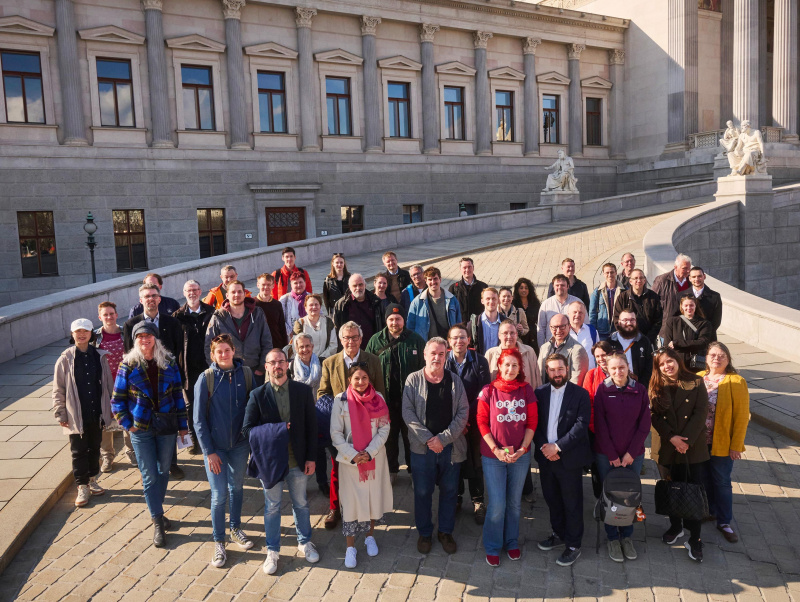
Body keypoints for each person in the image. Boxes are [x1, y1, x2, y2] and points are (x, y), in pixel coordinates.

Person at [111, 321, 188, 547]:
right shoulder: (127, 365)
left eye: (148, 336)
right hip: (141, 427)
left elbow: (177, 396)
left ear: (156, 338)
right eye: (140, 337)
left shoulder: (169, 363)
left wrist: (183, 426)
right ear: (135, 341)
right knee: (149, 475)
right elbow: (117, 400)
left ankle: (158, 510)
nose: (145, 340)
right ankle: (157, 521)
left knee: (164, 470)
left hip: (165, 426)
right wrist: (128, 424)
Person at [242, 349, 319, 574]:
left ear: (288, 365)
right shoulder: (257, 394)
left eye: (281, 362)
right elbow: (246, 430)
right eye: (272, 362)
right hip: (270, 463)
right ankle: (273, 550)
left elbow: (312, 427)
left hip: (298, 460)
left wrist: (312, 458)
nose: (277, 366)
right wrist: (277, 430)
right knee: (272, 507)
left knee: (302, 504)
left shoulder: (302, 391)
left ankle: (305, 542)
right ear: (266, 366)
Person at [193, 334, 255, 568]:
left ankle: (236, 528)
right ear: (213, 354)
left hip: (239, 446)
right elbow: (198, 420)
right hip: (216, 448)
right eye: (219, 351)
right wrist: (209, 451)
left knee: (237, 488)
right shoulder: (206, 379)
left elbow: (253, 407)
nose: (224, 354)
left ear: (233, 351)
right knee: (219, 495)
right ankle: (219, 541)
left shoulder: (246, 374)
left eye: (227, 350)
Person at [402, 337, 469, 555]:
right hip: (422, 449)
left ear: (446, 355)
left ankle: (446, 532)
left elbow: (462, 412)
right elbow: (408, 414)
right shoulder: (413, 380)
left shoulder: (454, 380)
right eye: (433, 353)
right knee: (422, 492)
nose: (437, 358)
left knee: (449, 491)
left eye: (441, 354)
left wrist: (444, 439)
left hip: (450, 448)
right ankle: (424, 532)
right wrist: (429, 440)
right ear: (424, 354)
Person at [317, 322, 385, 530]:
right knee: (338, 469)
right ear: (340, 339)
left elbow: (380, 393)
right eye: (346, 338)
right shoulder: (330, 362)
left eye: (355, 337)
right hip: (342, 427)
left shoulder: (372, 361)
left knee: (366, 467)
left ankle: (366, 508)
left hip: (367, 427)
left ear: (361, 338)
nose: (351, 342)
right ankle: (335, 509)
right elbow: (322, 393)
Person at [477, 348, 538, 567]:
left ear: (520, 368)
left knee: (514, 503)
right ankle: (493, 545)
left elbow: (532, 423)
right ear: (499, 367)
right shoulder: (488, 391)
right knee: (497, 504)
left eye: (515, 365)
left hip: (520, 456)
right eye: (507, 365)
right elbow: (482, 422)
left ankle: (511, 542)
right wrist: (495, 449)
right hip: (493, 456)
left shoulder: (526, 390)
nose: (510, 369)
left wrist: (522, 449)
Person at [649, 346, 709, 563]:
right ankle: (675, 526)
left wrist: (685, 441)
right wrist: (672, 438)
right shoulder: (656, 383)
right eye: (662, 364)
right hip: (666, 445)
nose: (667, 366)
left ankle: (695, 537)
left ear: (677, 360)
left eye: (670, 361)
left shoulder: (696, 381)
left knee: (692, 491)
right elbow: (654, 415)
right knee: (671, 487)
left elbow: (701, 413)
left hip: (691, 448)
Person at [330, 364, 393, 569]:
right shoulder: (340, 401)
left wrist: (370, 452)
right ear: (349, 379)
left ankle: (369, 537)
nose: (360, 382)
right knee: (351, 503)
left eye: (364, 377)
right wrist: (354, 455)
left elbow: (384, 428)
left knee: (371, 499)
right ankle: (350, 547)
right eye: (356, 378)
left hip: (373, 460)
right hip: (351, 464)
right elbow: (336, 433)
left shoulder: (379, 399)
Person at [534, 353, 592, 567]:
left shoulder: (580, 394)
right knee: (552, 499)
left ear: (567, 369)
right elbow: (535, 423)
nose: (556, 373)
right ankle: (558, 534)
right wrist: (545, 447)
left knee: (572, 503)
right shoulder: (539, 392)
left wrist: (557, 447)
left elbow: (580, 426)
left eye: (560, 369)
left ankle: (574, 544)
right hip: (546, 457)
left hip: (568, 458)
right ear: (546, 371)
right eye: (552, 369)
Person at [592, 352, 651, 562]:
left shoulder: (640, 390)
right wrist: (612, 454)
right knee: (610, 497)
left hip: (633, 455)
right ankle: (611, 538)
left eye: (622, 367)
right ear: (607, 369)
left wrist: (630, 454)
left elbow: (644, 425)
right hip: (607, 456)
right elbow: (600, 424)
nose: (618, 372)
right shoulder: (603, 390)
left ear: (628, 367)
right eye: (614, 368)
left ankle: (627, 536)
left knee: (629, 496)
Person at [53, 318, 115, 507]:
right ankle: (82, 486)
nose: (81, 334)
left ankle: (92, 479)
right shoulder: (65, 358)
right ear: (72, 335)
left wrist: (111, 408)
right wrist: (60, 413)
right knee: (78, 451)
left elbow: (108, 385)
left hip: (96, 412)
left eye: (85, 331)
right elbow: (59, 388)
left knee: (94, 447)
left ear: (91, 334)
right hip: (75, 414)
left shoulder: (99, 356)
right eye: (77, 331)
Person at [365, 304, 425, 478]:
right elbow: (368, 370)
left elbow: (423, 369)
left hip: (410, 400)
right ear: (386, 320)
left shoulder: (416, 340)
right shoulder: (376, 341)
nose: (394, 322)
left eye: (398, 319)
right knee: (389, 437)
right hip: (385, 400)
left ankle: (414, 471)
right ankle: (392, 470)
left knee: (410, 437)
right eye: (391, 319)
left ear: (403, 320)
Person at [699, 342, 750, 544]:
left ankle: (724, 521)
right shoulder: (697, 378)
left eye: (721, 355)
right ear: (706, 357)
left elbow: (742, 416)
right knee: (703, 478)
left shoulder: (737, 381)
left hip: (722, 442)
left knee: (721, 481)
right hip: (699, 443)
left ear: (728, 359)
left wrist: (736, 445)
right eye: (713, 354)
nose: (716, 358)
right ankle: (709, 511)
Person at [446, 324, 491, 525]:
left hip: (474, 422)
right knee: (454, 462)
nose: (459, 341)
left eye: (463, 337)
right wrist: (456, 422)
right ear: (449, 341)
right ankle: (455, 498)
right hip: (451, 422)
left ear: (469, 340)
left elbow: (483, 393)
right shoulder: (443, 362)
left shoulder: (480, 361)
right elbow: (442, 394)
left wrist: (466, 419)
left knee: (475, 462)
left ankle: (478, 501)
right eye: (455, 338)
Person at [172, 279, 214, 455]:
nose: (192, 293)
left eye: (195, 289)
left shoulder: (211, 312)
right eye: (189, 290)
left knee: (208, 403)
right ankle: (192, 440)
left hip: (207, 365)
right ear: (184, 293)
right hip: (187, 367)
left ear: (200, 291)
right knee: (189, 405)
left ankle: (209, 438)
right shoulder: (177, 316)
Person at [205, 280, 272, 386]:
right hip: (229, 373)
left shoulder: (257, 313)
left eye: (240, 292)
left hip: (255, 371)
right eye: (233, 292)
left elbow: (267, 341)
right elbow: (209, 345)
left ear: (245, 293)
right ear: (227, 295)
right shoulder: (219, 316)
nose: (237, 295)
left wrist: (262, 368)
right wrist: (217, 369)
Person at [94, 301, 134, 470]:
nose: (109, 317)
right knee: (105, 419)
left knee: (127, 416)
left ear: (117, 315)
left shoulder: (126, 332)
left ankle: (132, 452)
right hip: (104, 384)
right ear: (100, 317)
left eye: (111, 314)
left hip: (126, 383)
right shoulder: (95, 337)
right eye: (105, 314)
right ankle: (108, 456)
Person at [123, 284, 184, 359]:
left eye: (154, 296)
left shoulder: (173, 322)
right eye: (147, 296)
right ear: (141, 300)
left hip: (168, 367)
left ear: (159, 299)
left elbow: (178, 350)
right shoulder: (130, 325)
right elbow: (129, 352)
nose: (151, 298)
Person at [659, 294, 715, 371]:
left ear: (695, 306)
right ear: (681, 306)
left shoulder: (704, 324)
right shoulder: (672, 321)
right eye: (686, 305)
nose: (689, 308)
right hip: (676, 363)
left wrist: (677, 343)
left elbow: (702, 343)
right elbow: (667, 345)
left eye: (691, 305)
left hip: (695, 364)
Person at [407, 267, 462, 341]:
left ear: (440, 279)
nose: (433, 282)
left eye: (435, 278)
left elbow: (458, 324)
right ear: (425, 281)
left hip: (448, 344)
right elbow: (410, 326)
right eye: (430, 279)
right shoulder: (417, 302)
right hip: (426, 345)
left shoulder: (452, 300)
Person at [613, 268, 662, 346]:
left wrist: (648, 339)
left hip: (648, 341)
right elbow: (617, 319)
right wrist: (626, 336)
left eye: (641, 278)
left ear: (644, 280)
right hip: (627, 340)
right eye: (635, 278)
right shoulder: (622, 297)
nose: (638, 281)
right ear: (630, 281)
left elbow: (658, 320)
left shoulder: (653, 297)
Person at [485, 320, 542, 388]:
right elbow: (485, 384)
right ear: (499, 335)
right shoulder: (491, 354)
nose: (509, 337)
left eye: (512, 333)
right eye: (505, 333)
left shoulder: (529, 352)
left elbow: (537, 379)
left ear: (516, 334)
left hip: (525, 396)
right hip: (498, 397)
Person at [538, 314, 589, 386]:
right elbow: (539, 375)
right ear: (550, 328)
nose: (558, 331)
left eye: (562, 327)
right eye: (555, 327)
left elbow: (576, 382)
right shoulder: (544, 348)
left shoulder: (578, 350)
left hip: (566, 395)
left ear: (569, 327)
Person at [608, 309, 654, 386]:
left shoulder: (644, 341)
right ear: (619, 323)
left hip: (639, 386)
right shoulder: (611, 341)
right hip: (615, 386)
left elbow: (650, 365)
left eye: (632, 320)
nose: (629, 323)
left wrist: (641, 385)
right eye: (625, 320)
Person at [538, 274, 581, 347]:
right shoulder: (545, 305)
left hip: (573, 346)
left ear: (568, 286)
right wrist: (542, 348)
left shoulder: (577, 303)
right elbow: (541, 328)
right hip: (552, 347)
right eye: (557, 285)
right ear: (553, 287)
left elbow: (585, 326)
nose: (559, 287)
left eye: (562, 285)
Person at [292, 294, 337, 359]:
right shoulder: (300, 323)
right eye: (311, 305)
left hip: (324, 361)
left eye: (316, 304)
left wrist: (320, 359)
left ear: (320, 306)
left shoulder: (328, 322)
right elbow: (295, 346)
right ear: (305, 308)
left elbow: (333, 345)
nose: (314, 307)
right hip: (305, 362)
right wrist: (307, 360)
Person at [651, 253, 692, 321]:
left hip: (686, 322)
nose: (688, 271)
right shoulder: (661, 280)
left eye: (689, 268)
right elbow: (652, 302)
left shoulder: (691, 280)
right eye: (684, 268)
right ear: (675, 267)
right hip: (667, 323)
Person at [589, 263, 624, 341]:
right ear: (603, 274)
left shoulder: (624, 290)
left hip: (618, 330)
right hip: (602, 331)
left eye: (612, 272)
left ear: (616, 273)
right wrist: (593, 331)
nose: (610, 275)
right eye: (607, 273)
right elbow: (592, 312)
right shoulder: (597, 292)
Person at [254, 273, 289, 350]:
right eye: (263, 284)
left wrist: (285, 346)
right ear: (258, 285)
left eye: (269, 284)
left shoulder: (277, 304)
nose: (266, 287)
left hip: (276, 344)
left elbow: (282, 327)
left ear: (273, 286)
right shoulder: (253, 304)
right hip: (259, 346)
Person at [467, 287, 505, 355]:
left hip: (501, 363)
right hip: (480, 363)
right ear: (482, 301)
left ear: (498, 301)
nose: (491, 301)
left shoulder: (505, 323)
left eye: (494, 298)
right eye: (488, 299)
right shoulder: (474, 324)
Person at [448, 257, 488, 322]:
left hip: (479, 325)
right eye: (464, 267)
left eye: (469, 267)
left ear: (473, 268)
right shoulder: (453, 288)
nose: (467, 270)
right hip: (461, 326)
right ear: (460, 269)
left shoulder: (483, 287)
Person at [689, 267, 723, 336]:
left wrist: (704, 334)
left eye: (699, 276)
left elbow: (716, 321)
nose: (696, 279)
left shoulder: (715, 297)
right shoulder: (682, 295)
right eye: (694, 277)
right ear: (690, 278)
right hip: (688, 339)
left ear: (704, 277)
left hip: (708, 338)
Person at [280, 271, 314, 337]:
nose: (298, 285)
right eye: (295, 283)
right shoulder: (284, 299)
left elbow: (319, 315)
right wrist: (290, 333)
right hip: (292, 337)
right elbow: (281, 320)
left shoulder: (312, 298)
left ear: (305, 283)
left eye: (301, 282)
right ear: (291, 285)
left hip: (311, 335)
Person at [512, 277, 541, 353]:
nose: (524, 290)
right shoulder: (513, 303)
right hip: (520, 335)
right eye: (521, 288)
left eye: (526, 288)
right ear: (517, 290)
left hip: (533, 334)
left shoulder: (535, 302)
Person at [567, 300, 598, 370]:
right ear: (568, 313)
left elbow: (598, 353)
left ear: (584, 315)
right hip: (570, 376)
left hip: (589, 375)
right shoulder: (563, 332)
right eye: (574, 312)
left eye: (580, 312)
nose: (577, 315)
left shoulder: (592, 331)